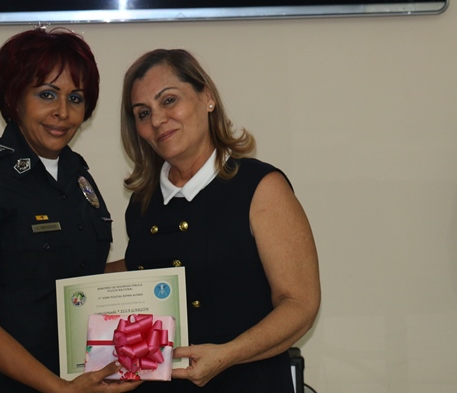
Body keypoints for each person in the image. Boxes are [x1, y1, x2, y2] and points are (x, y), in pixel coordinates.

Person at [0, 28, 139, 393]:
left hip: (70, 381)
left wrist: (151, 264)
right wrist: (58, 388)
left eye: (75, 98)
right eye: (46, 94)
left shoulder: (77, 176)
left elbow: (72, 279)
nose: (62, 112)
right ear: (14, 98)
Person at [116, 49, 321, 392]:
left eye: (169, 100)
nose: (157, 119)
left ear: (207, 97)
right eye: (143, 113)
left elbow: (300, 305)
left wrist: (227, 354)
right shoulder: (141, 203)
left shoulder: (259, 187)